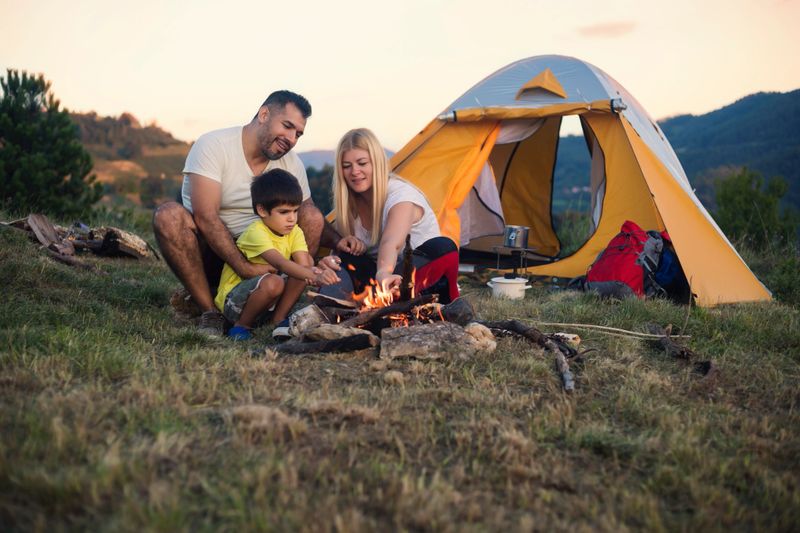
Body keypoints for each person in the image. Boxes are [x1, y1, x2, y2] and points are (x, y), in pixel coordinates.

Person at [153, 90, 355, 337]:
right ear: (264, 114)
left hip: (266, 254)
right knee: (168, 216)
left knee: (311, 215)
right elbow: (205, 216)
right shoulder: (213, 145)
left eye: (298, 134)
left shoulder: (291, 162)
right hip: (211, 251)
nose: (291, 139)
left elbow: (308, 213)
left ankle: (278, 315)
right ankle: (209, 312)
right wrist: (243, 266)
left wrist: (337, 241)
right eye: (287, 126)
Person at [320, 128, 460, 305]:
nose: (354, 171)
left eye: (362, 163)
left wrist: (384, 275)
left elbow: (391, 243)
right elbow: (346, 254)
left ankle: (396, 301)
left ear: (377, 163)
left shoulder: (400, 195)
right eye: (347, 166)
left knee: (444, 246)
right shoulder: (348, 207)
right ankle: (322, 309)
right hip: (379, 284)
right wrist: (332, 261)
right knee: (345, 256)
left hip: (416, 277)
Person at [216, 169, 339, 341]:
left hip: (268, 299)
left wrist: (318, 270)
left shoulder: (294, 231)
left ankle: (278, 319)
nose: (292, 219)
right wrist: (314, 275)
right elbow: (281, 263)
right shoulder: (256, 233)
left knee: (301, 268)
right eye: (284, 212)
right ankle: (241, 326)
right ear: (262, 210)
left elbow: (304, 265)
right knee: (276, 281)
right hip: (235, 302)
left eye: (295, 211)